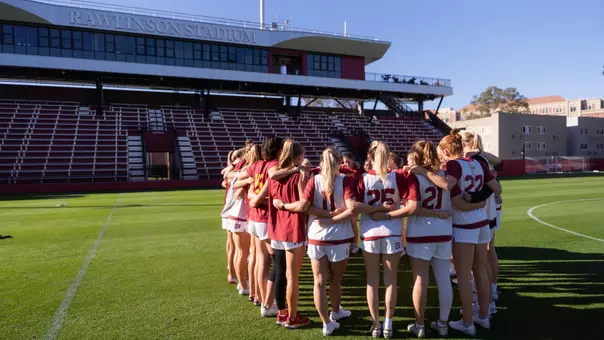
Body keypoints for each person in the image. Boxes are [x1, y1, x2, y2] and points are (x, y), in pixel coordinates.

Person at [274, 147, 356, 335]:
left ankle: (326, 323)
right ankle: (336, 312)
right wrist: (332, 218)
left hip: (317, 237)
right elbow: (351, 209)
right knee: (336, 280)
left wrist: (283, 205)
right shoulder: (345, 181)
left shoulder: (313, 180)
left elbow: (304, 207)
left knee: (319, 282)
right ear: (338, 162)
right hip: (339, 237)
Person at [438, 129, 502, 335]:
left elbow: (451, 191)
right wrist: (479, 200)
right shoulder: (478, 162)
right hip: (482, 222)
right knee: (481, 269)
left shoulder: (454, 165)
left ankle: (467, 323)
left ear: (447, 151)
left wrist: (426, 173)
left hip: (464, 225)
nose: (440, 157)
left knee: (464, 276)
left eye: (441, 153)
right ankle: (483, 316)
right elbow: (497, 189)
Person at [355, 141, 412, 338]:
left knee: (372, 282)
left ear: (369, 157)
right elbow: (406, 203)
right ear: (388, 156)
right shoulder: (399, 177)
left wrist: (375, 209)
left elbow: (354, 206)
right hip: (393, 231)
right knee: (391, 282)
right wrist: (388, 209)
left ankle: (376, 324)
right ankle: (388, 323)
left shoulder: (362, 178)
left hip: (370, 232)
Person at [400, 141, 454, 338]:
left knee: (420, 280)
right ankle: (443, 323)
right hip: (443, 233)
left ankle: (419, 324)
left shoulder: (414, 176)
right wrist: (439, 214)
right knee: (443, 279)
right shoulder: (444, 175)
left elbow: (412, 207)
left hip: (420, 232)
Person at [266, 139, 311, 329]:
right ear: (298, 156)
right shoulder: (299, 175)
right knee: (292, 276)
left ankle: (282, 313)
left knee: (280, 274)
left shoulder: (275, 175)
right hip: (293, 229)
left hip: (276, 229)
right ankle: (292, 317)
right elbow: (302, 205)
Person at [461, 131, 502, 306]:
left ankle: (487, 296)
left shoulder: (476, 160)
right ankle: (491, 292)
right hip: (489, 208)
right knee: (487, 251)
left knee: (483, 255)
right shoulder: (482, 158)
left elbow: (495, 186)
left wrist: (475, 199)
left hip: (483, 209)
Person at [221, 148, 246, 285]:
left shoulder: (232, 170)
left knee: (232, 246)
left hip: (229, 208)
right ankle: (234, 274)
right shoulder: (238, 169)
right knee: (236, 248)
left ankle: (233, 273)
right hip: (233, 209)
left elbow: (225, 175)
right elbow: (226, 174)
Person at [341, 152, 362, 254]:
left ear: (353, 161)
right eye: (345, 162)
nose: (347, 164)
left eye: (349, 162)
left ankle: (355, 244)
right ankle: (346, 243)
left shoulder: (358, 171)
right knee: (344, 222)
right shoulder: (341, 170)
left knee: (353, 222)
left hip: (354, 198)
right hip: (343, 198)